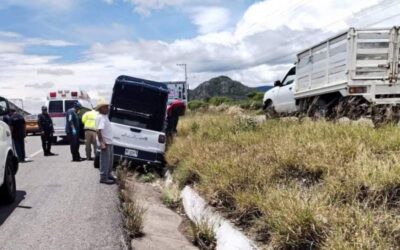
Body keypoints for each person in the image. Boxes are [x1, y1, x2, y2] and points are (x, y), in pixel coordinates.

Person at [95, 100, 115, 185]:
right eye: (106, 107)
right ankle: (103, 177)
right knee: (105, 161)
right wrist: (102, 143)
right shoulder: (101, 117)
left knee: (110, 160)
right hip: (105, 142)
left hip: (109, 142)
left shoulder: (104, 116)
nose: (108, 108)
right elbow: (99, 131)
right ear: (101, 108)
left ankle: (108, 174)